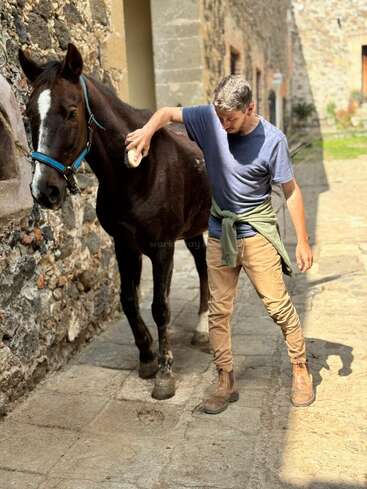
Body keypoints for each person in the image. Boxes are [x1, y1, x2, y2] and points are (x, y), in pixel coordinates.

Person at [125, 75, 314, 414]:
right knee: (218, 311)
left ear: (250, 109)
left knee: (277, 305)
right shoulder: (211, 119)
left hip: (255, 232)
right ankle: (225, 378)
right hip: (219, 231)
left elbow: (291, 191)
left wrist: (302, 240)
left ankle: (300, 368)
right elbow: (168, 113)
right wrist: (146, 133)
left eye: (232, 118)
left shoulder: (272, 140)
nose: (224, 125)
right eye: (220, 116)